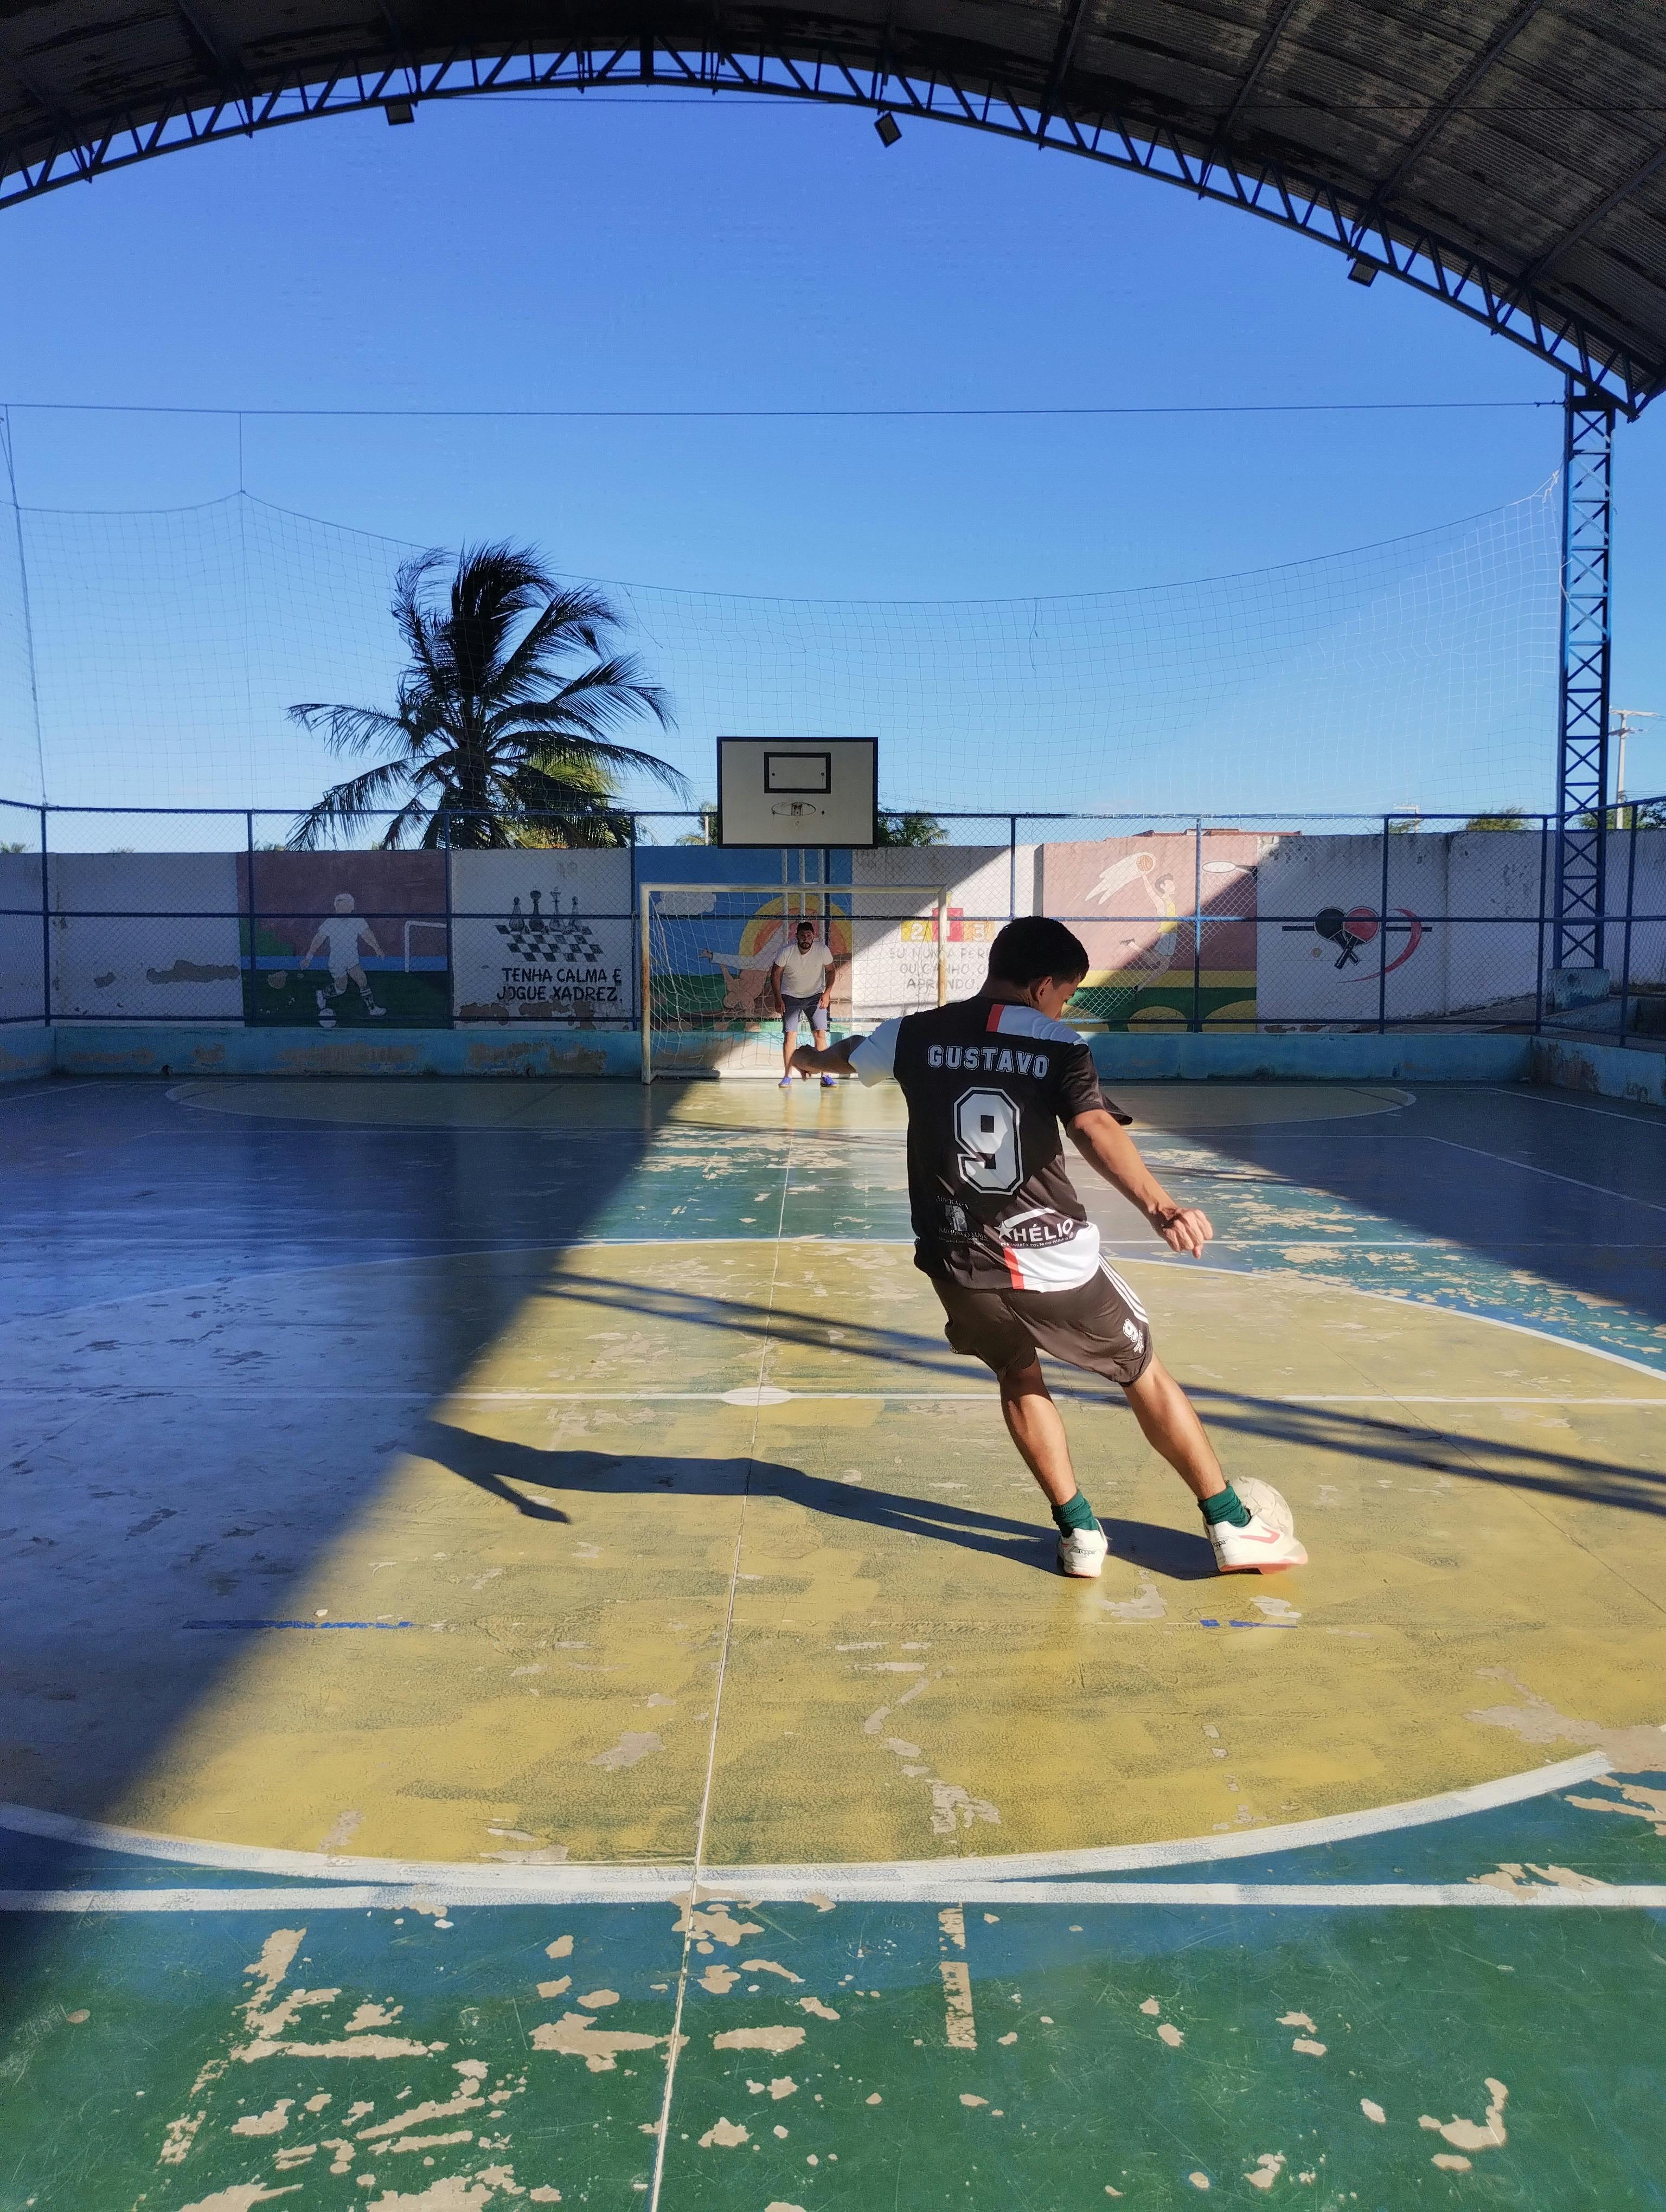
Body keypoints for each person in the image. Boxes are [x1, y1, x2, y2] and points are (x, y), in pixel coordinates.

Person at [789, 915, 1307, 1579]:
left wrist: (807, 1059)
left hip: (955, 1261)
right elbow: (1092, 1124)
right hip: (1046, 1255)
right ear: (1041, 987)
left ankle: (1080, 1534)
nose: (1063, 1006)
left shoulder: (914, 1032)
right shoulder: (1059, 1044)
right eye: (1064, 993)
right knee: (1142, 1369)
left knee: (1017, 1373)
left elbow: (849, 1050)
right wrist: (1160, 1204)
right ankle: (1232, 1524)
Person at [770, 917, 838, 1090]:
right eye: (803, 936)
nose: (806, 939)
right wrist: (778, 998)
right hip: (790, 996)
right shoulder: (786, 951)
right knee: (790, 1035)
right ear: (797, 936)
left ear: (814, 936)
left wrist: (827, 994)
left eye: (809, 935)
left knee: (820, 1034)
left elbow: (831, 971)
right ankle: (787, 1076)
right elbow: (775, 973)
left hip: (816, 996)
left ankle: (826, 1075)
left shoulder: (822, 950)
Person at [303, 892, 387, 1018]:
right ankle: (322, 994)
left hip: (352, 958)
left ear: (351, 908)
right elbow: (318, 939)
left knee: (362, 980)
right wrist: (308, 958)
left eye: (345, 906)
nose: (341, 908)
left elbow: (368, 936)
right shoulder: (331, 922)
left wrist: (378, 949)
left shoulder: (358, 921)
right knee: (341, 989)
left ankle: (373, 1009)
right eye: (339, 906)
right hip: (337, 961)